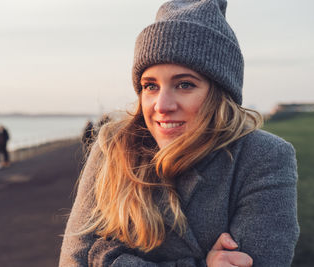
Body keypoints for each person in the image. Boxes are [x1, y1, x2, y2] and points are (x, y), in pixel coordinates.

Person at [59, 1, 300, 266]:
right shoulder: (113, 148)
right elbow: (73, 260)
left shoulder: (262, 157)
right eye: (150, 86)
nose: (162, 106)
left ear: (220, 93)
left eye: (184, 84)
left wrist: (108, 258)